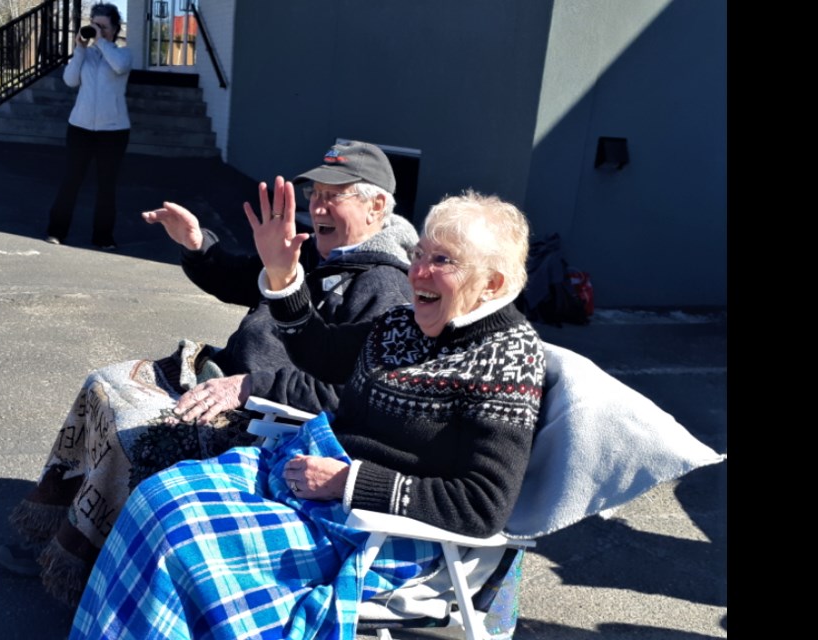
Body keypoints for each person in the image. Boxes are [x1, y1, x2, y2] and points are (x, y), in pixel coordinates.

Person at [69, 187, 546, 639]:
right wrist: (282, 274)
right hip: (318, 484)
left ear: (493, 284)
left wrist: (348, 482)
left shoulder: (506, 359)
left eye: (441, 261)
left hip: (383, 530)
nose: (417, 273)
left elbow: (483, 505)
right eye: (418, 254)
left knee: (184, 539)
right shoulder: (409, 322)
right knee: (157, 497)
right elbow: (318, 353)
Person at [0, 140, 419, 608]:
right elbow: (240, 277)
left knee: (139, 434)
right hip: (225, 378)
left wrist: (248, 387)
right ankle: (65, 518)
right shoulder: (325, 251)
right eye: (315, 193)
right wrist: (197, 244)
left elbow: (347, 393)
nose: (315, 205)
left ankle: (91, 559)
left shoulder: (384, 285)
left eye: (332, 195)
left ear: (377, 205)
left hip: (266, 416)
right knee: (106, 383)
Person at [45, 2, 131, 250]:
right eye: (94, 24)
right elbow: (70, 80)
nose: (97, 30)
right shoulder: (87, 55)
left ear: (114, 29)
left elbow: (119, 67)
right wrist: (80, 49)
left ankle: (103, 237)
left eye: (103, 26)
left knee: (107, 186)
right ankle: (56, 231)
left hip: (113, 131)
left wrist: (101, 41)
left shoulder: (123, 53)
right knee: (70, 181)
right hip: (80, 128)